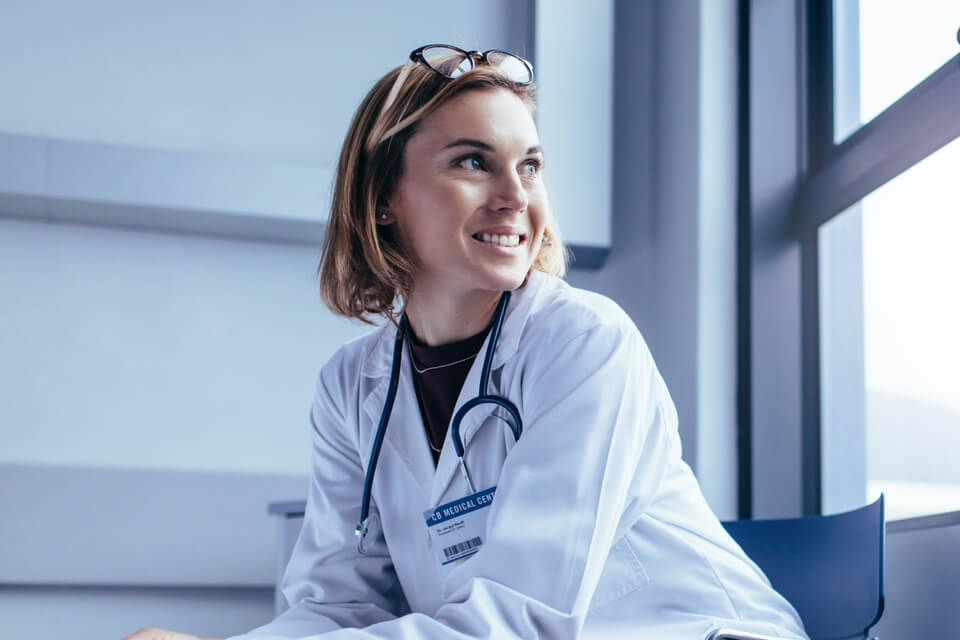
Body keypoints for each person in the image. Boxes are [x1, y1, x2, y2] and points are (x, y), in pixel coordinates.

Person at [125, 45, 808, 640]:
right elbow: (337, 609)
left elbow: (520, 620)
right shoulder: (349, 388)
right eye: (474, 162)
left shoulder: (585, 345)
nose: (517, 196)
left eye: (531, 165)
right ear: (382, 198)